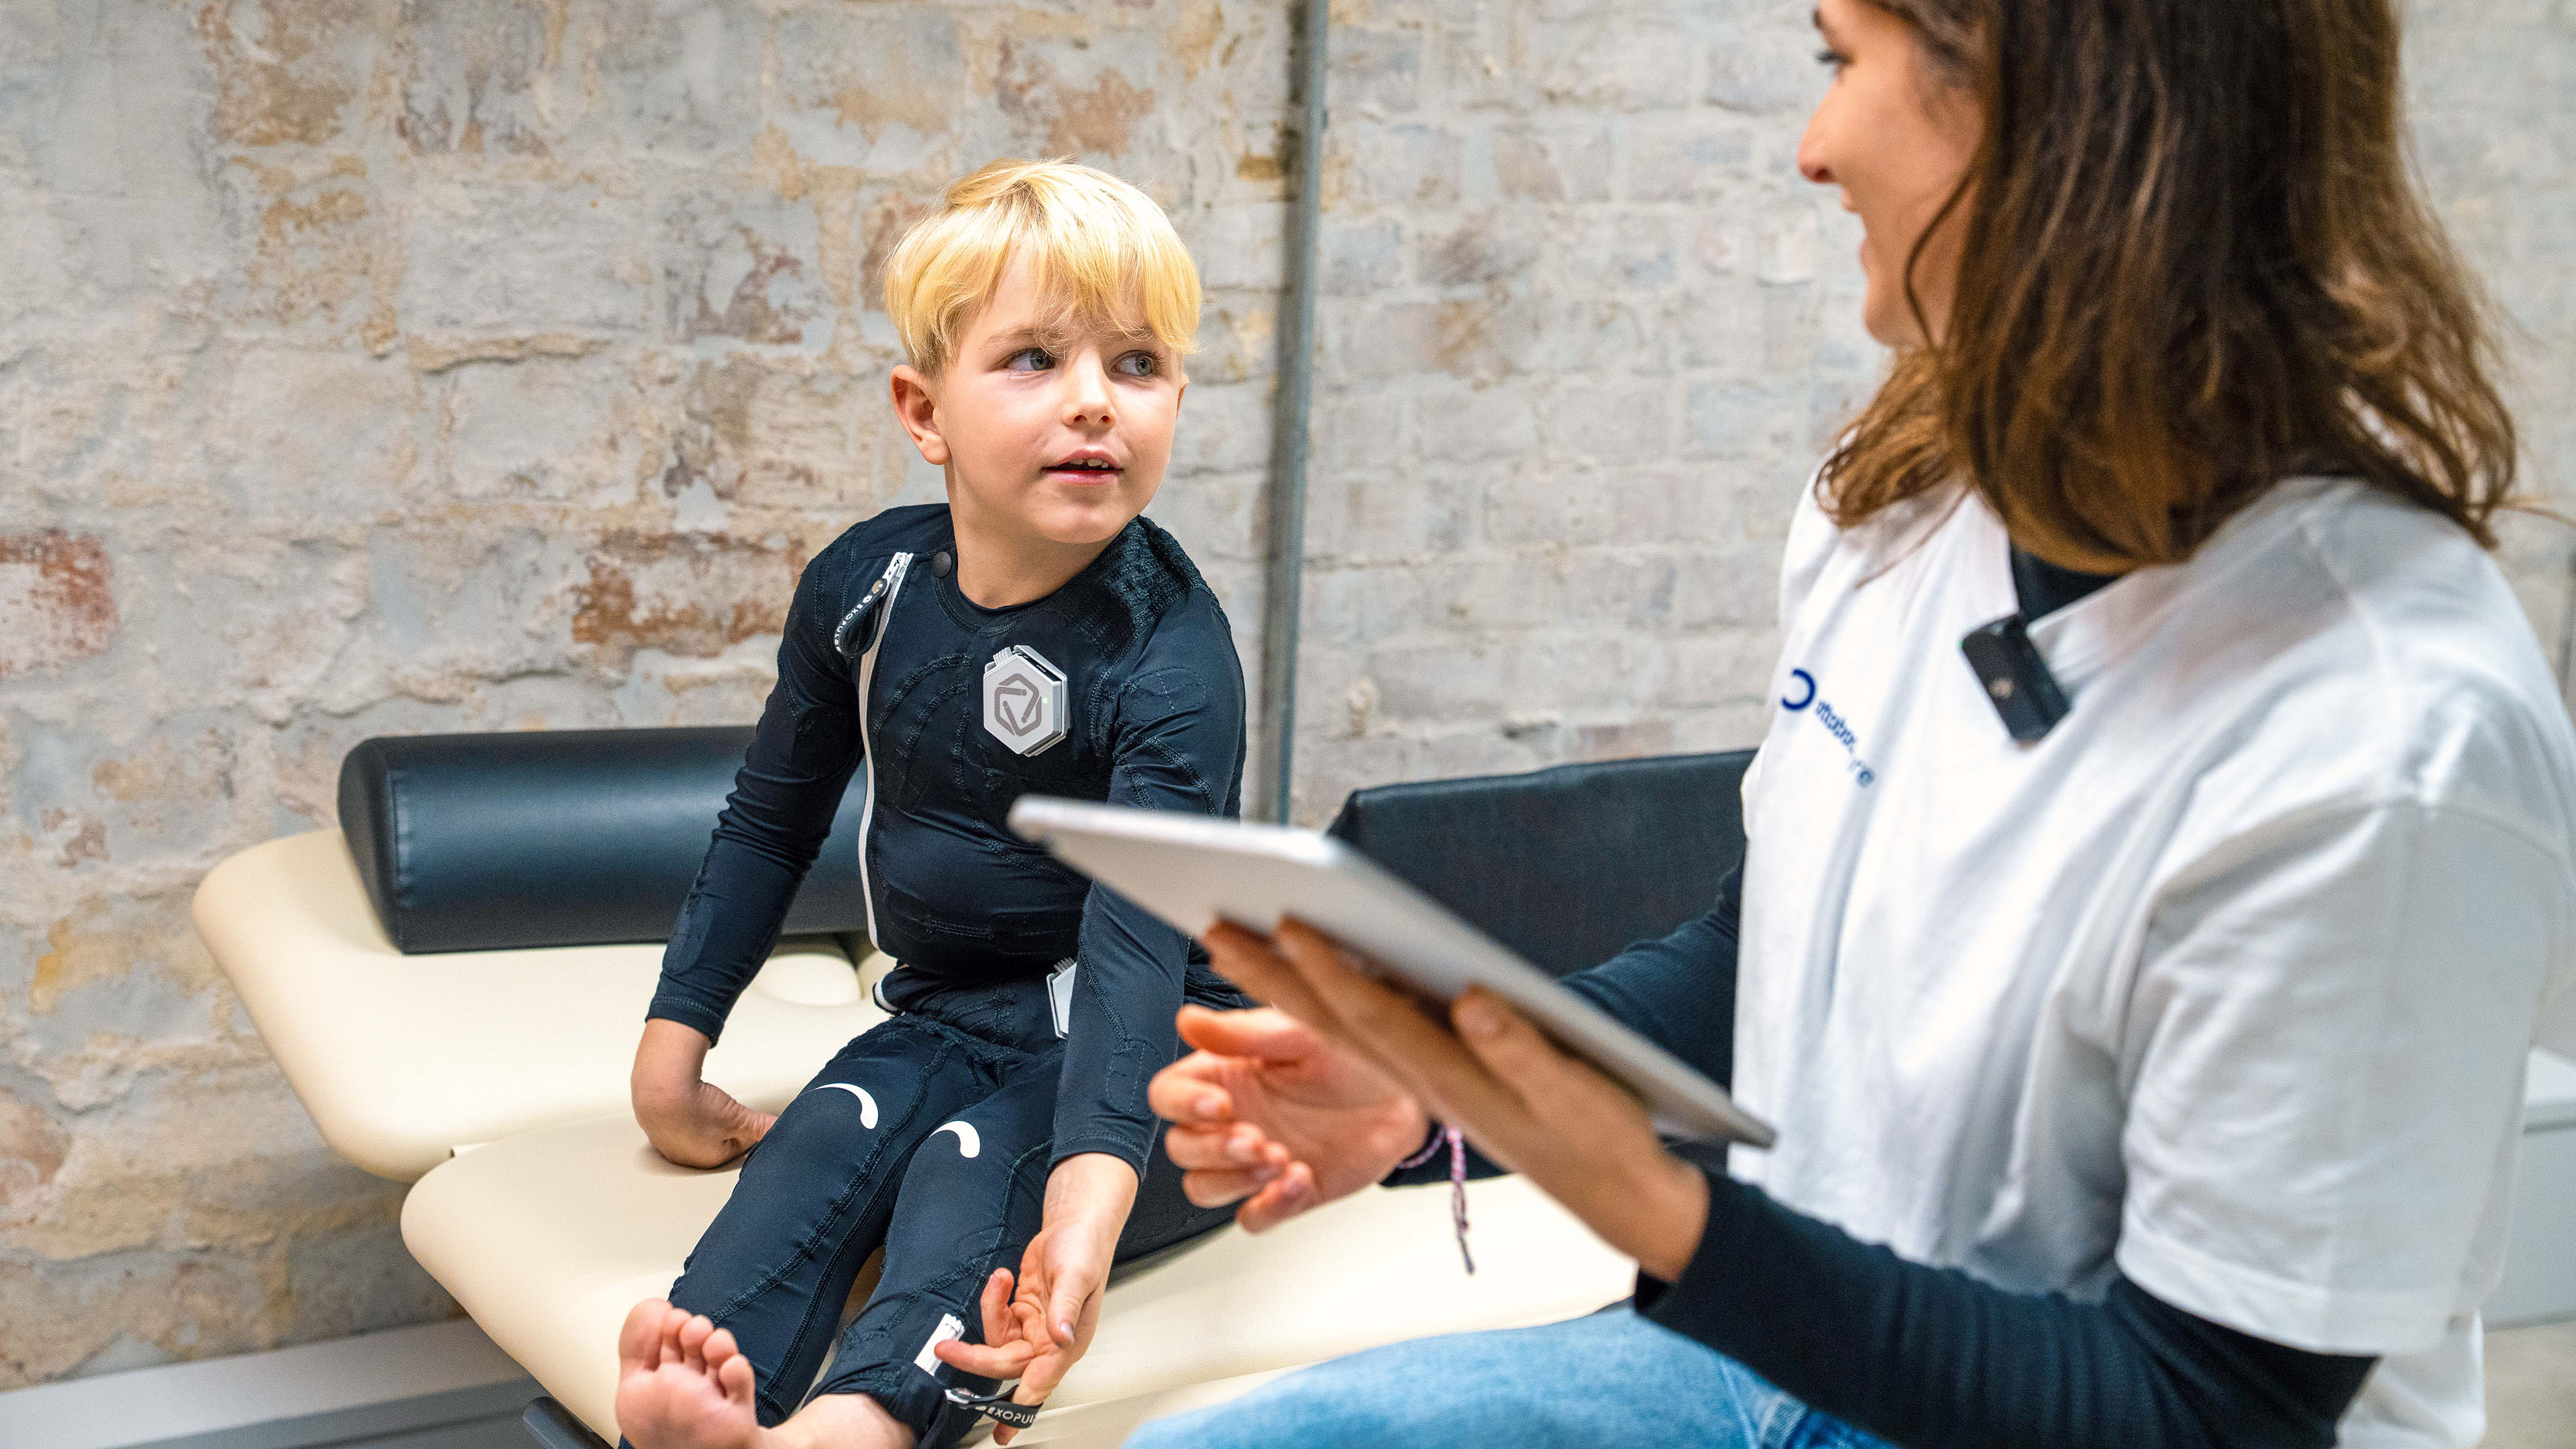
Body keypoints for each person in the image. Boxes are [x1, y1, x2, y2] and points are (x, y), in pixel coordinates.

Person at [1134, 2, 2576, 1447]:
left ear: (2060, 115)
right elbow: (1766, 954)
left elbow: (2205, 1415)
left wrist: (1661, 1215)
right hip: (1791, 1359)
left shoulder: (2389, 739)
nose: (1814, 150)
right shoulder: (1896, 498)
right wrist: (1445, 1075)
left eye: (1841, 60)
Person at [607, 158, 1252, 1449]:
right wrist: (673, 1055)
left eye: (1136, 365)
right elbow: (770, 818)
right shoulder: (867, 584)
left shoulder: (1174, 660)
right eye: (1032, 361)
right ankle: (708, 1397)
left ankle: (864, 1429)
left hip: (1164, 1057)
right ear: (924, 409)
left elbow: (1135, 949)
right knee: (823, 1143)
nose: (1093, 404)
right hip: (950, 1013)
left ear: (1176, 396)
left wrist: (1087, 1201)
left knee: (973, 1176)